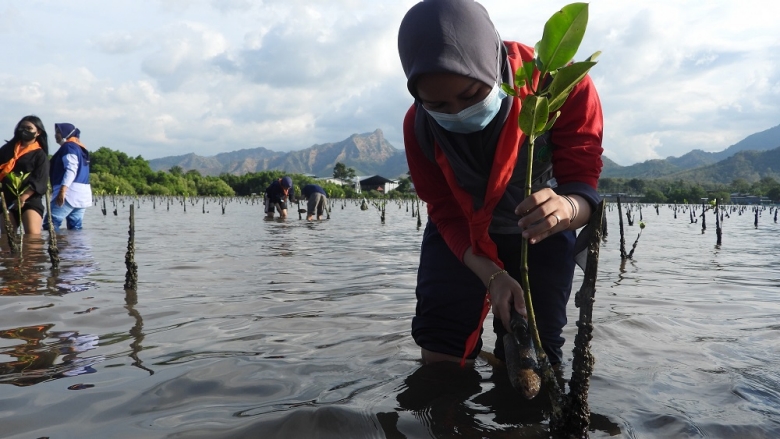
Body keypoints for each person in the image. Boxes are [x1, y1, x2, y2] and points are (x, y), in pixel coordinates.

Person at [397, 0, 603, 368]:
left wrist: (566, 208)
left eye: (471, 96)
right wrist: (491, 275)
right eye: (438, 104)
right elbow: (444, 211)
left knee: (534, 357)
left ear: (492, 64)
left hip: (539, 233)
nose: (457, 112)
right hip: (461, 235)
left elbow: (584, 188)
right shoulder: (419, 126)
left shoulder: (558, 88)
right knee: (440, 349)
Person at [0, 115, 50, 235]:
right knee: (7, 237)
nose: (24, 131)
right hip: (7, 198)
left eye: (29, 128)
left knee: (32, 237)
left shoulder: (40, 155)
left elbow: (40, 179)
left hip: (30, 199)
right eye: (22, 127)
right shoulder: (6, 150)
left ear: (38, 132)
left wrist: (23, 197)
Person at [46, 123, 92, 231]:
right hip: (82, 194)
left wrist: (62, 191)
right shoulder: (79, 148)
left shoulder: (69, 147)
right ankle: (77, 248)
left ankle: (55, 247)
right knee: (75, 227)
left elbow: (71, 169)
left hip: (69, 192)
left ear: (67, 133)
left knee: (50, 224)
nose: (55, 135)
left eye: (58, 132)